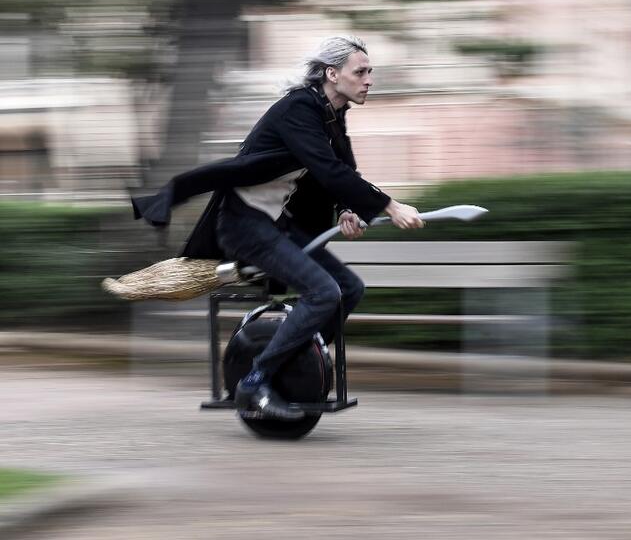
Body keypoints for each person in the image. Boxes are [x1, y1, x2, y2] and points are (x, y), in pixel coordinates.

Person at [132, 35, 424, 420]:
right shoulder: (299, 109)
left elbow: (340, 171)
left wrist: (345, 209)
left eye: (370, 72)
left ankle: (298, 357)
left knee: (349, 288)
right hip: (246, 225)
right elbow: (328, 168)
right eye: (361, 72)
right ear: (332, 74)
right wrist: (389, 205)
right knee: (323, 292)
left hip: (277, 223)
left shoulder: (331, 115)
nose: (369, 80)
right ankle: (255, 384)